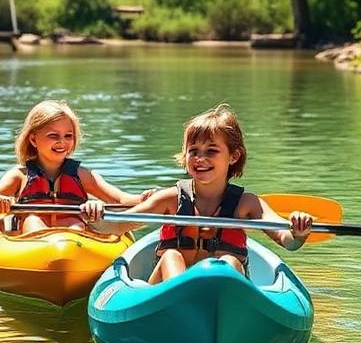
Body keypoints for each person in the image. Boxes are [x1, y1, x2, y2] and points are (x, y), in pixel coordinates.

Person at [81, 103, 313, 283]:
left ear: (234, 156)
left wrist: (298, 232)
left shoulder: (247, 204)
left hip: (222, 298)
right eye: (193, 151)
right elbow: (116, 226)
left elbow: (288, 241)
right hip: (166, 296)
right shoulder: (170, 198)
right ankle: (182, 304)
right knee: (171, 256)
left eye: (211, 150)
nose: (200, 159)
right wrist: (94, 215)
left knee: (229, 262)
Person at [0, 100, 152, 233]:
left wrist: (146, 198)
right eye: (53, 136)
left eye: (68, 136)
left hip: (72, 241)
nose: (62, 142)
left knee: (74, 224)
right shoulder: (19, 176)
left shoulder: (83, 175)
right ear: (33, 139)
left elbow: (120, 200)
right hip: (31, 240)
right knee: (33, 220)